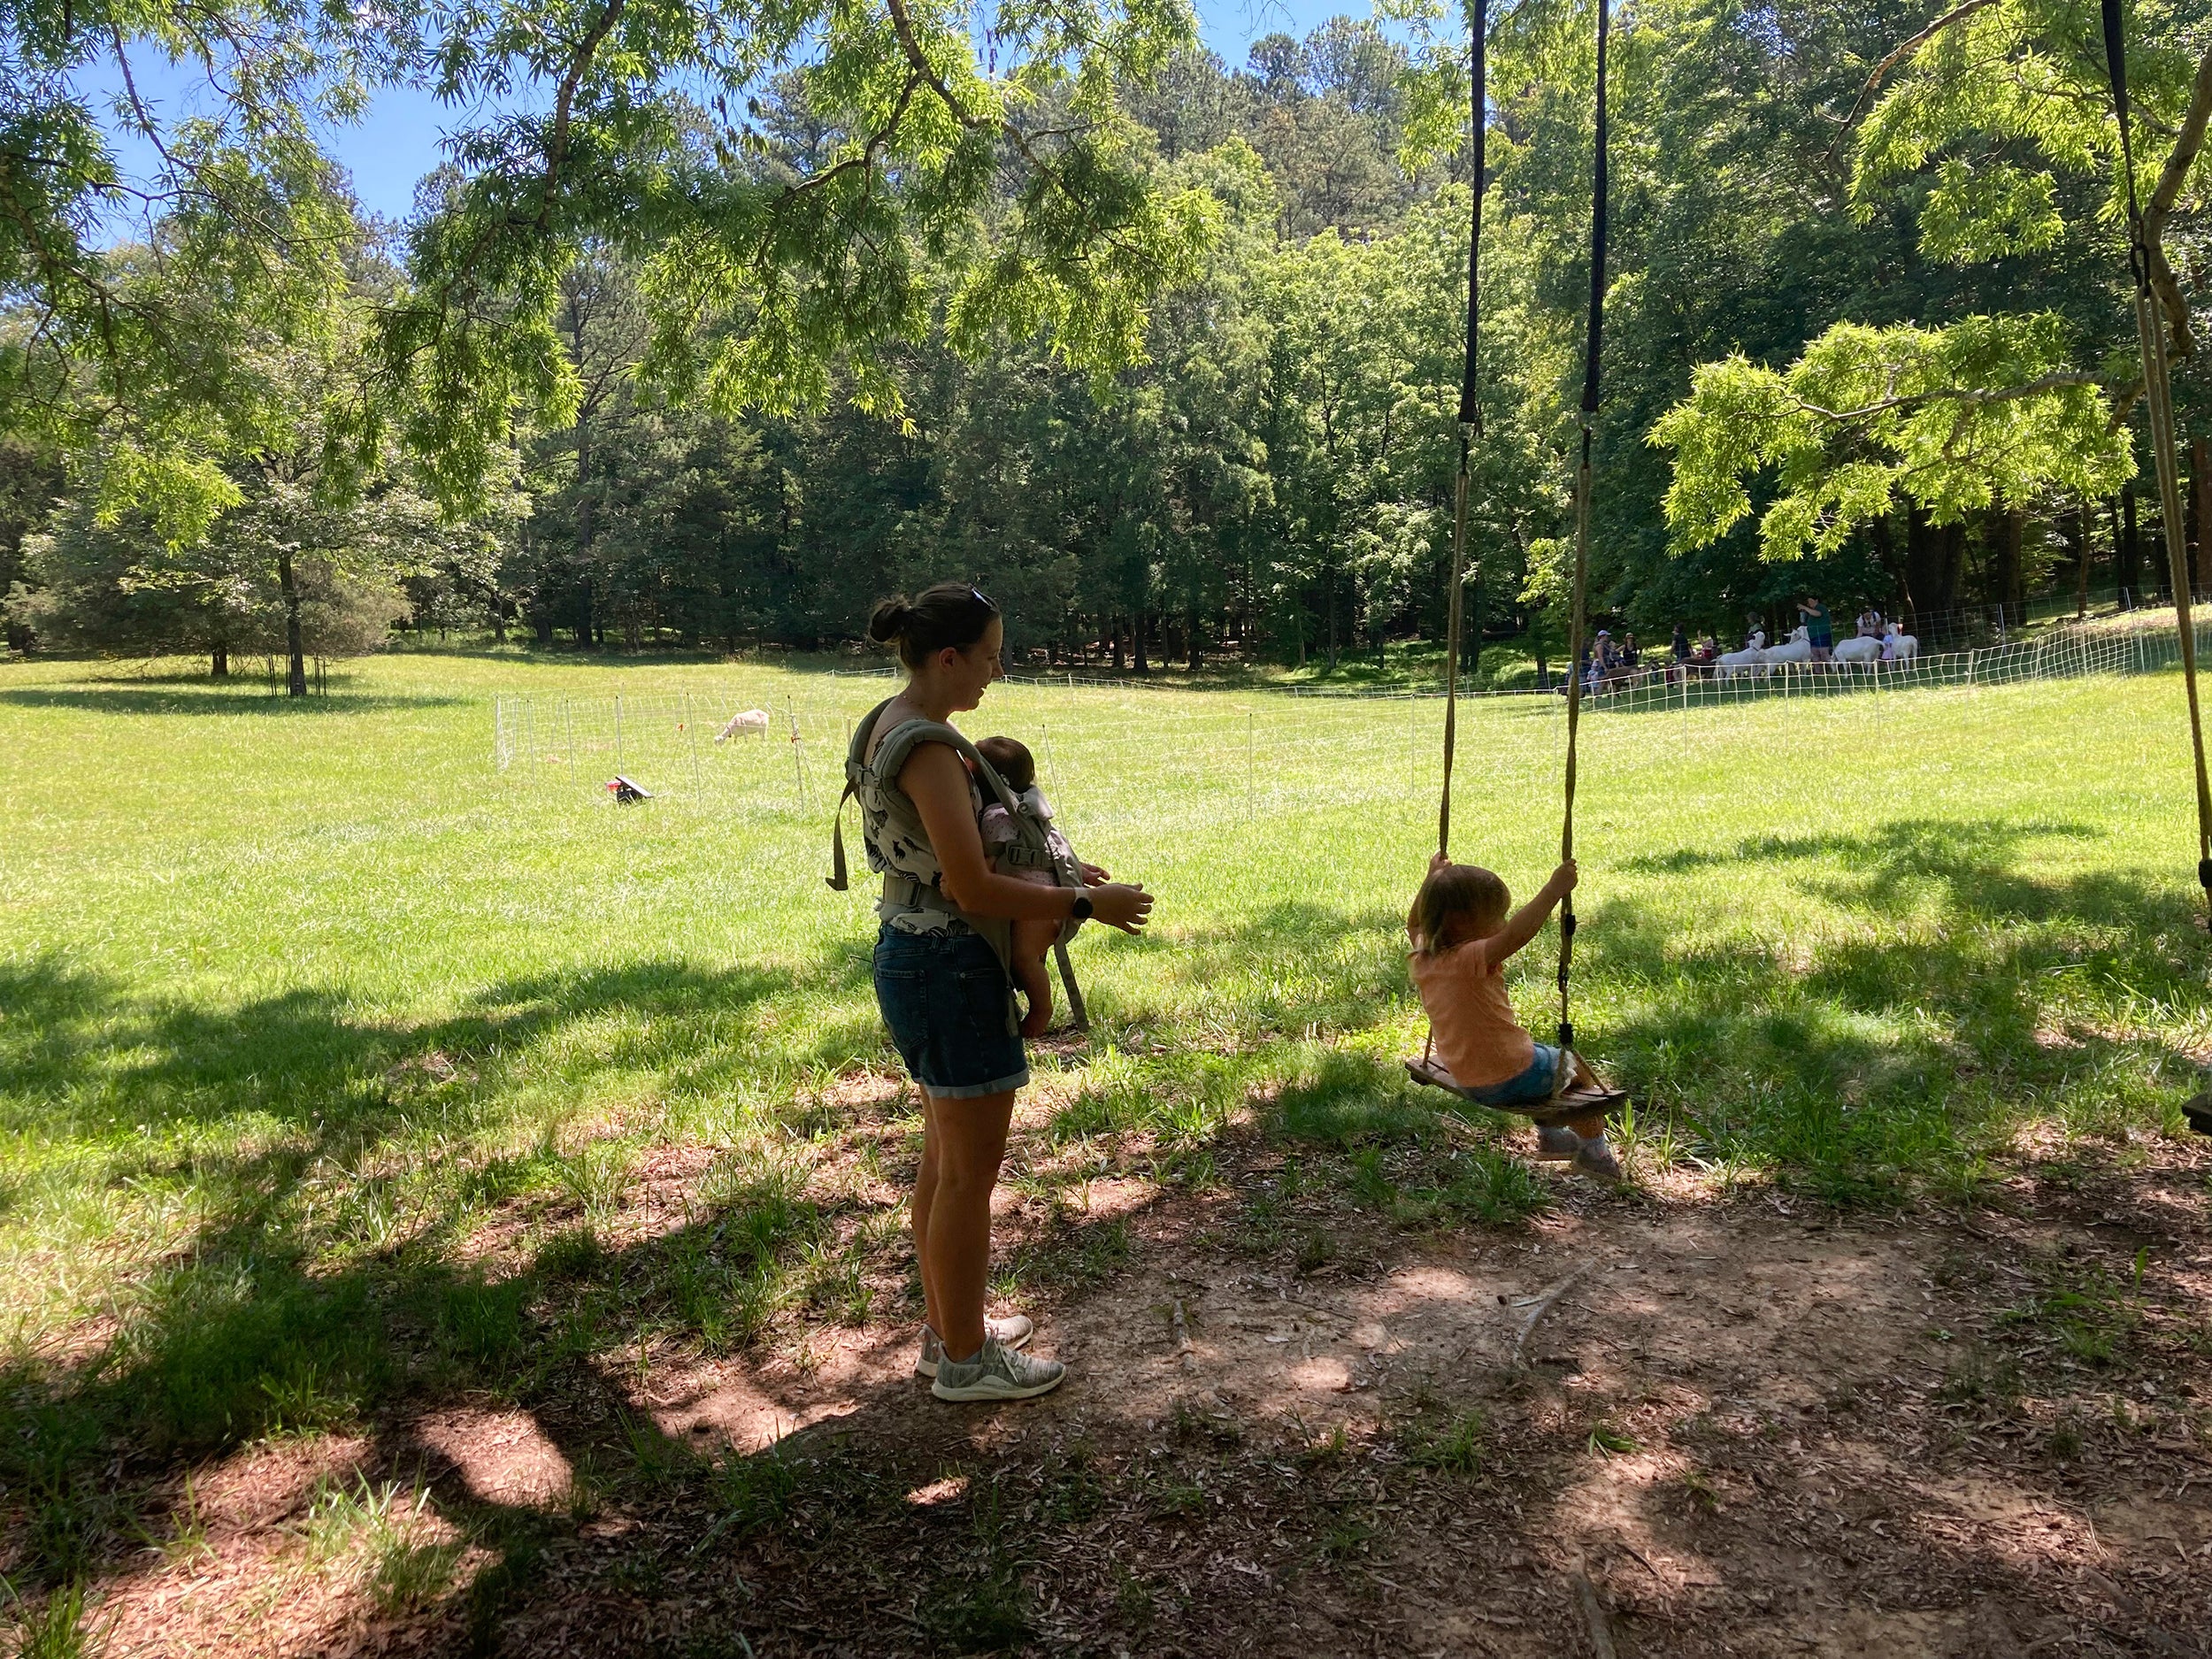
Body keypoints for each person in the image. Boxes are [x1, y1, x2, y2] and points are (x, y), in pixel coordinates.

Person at [850, 583, 1153, 1401]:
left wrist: (1056, 874)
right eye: (988, 655)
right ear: (948, 657)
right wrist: (1086, 902)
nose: (996, 670)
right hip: (949, 967)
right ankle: (964, 1362)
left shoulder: (895, 721)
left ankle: (948, 1327)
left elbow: (966, 862)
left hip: (918, 956)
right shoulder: (930, 749)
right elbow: (974, 886)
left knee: (944, 1160)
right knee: (966, 1178)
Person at [1406, 854, 1621, 1179]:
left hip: (1469, 1077)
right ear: (1462, 922)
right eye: (1498, 917)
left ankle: (1553, 1139)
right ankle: (1594, 1152)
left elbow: (1414, 924)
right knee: (1575, 1076)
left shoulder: (1422, 956)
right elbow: (1516, 936)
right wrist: (1553, 890)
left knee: (1539, 1059)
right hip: (1509, 1075)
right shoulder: (1472, 958)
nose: (1503, 923)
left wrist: (1430, 879)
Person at [973, 734, 1074, 1038]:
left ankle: (1041, 1010)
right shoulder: (1028, 810)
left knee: (1023, 959)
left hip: (1036, 907)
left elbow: (987, 862)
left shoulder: (995, 817)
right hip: (1050, 898)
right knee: (1030, 958)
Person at [1797, 596, 1833, 664]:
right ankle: (1818, 672)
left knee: (1824, 653)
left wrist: (1805, 608)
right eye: (1808, 602)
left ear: (1816, 600)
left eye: (1810, 601)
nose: (1809, 603)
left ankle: (1833, 669)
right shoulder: (1811, 610)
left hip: (1822, 634)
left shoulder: (1820, 607)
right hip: (1813, 636)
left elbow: (1818, 614)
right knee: (1815, 654)